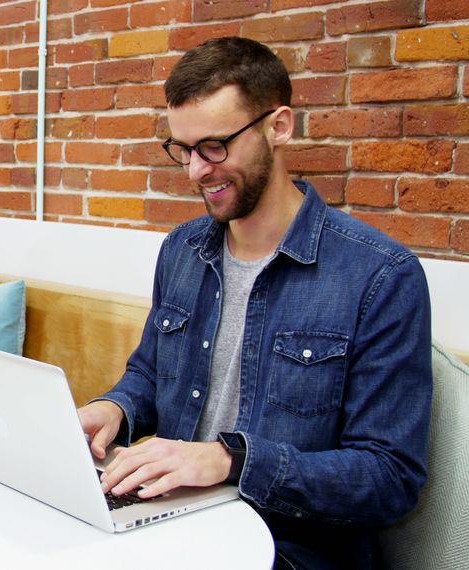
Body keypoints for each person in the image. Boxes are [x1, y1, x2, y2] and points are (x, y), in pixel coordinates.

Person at [78, 37, 431, 569]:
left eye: (215, 146)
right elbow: (149, 376)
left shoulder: (380, 277)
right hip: (167, 526)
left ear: (279, 127)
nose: (197, 170)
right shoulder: (182, 250)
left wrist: (231, 461)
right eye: (184, 149)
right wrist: (115, 408)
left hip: (287, 549)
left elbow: (388, 479)